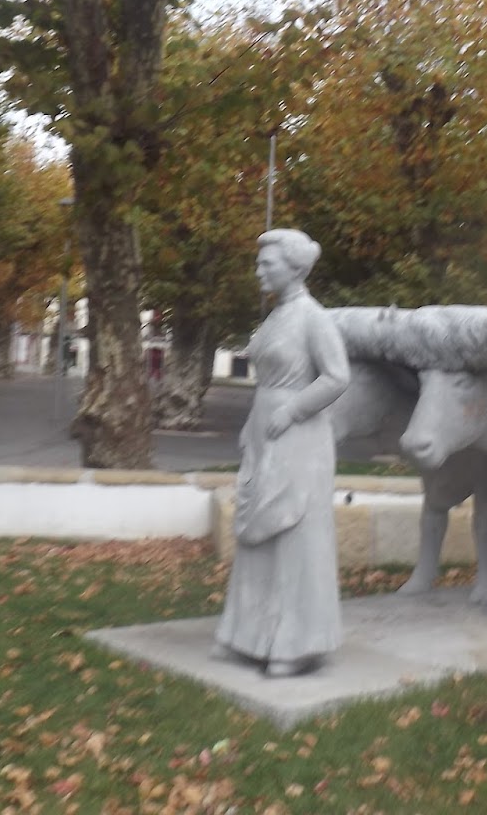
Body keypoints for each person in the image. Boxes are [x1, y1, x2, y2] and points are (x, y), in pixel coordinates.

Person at [214, 228, 350, 678]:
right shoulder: (275, 317)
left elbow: (337, 376)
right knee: (258, 534)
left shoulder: (314, 318)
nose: (258, 270)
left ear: (293, 268)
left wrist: (293, 410)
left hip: (300, 436)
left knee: (295, 534)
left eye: (266, 263)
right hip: (265, 429)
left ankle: (295, 643)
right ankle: (248, 634)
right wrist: (253, 425)